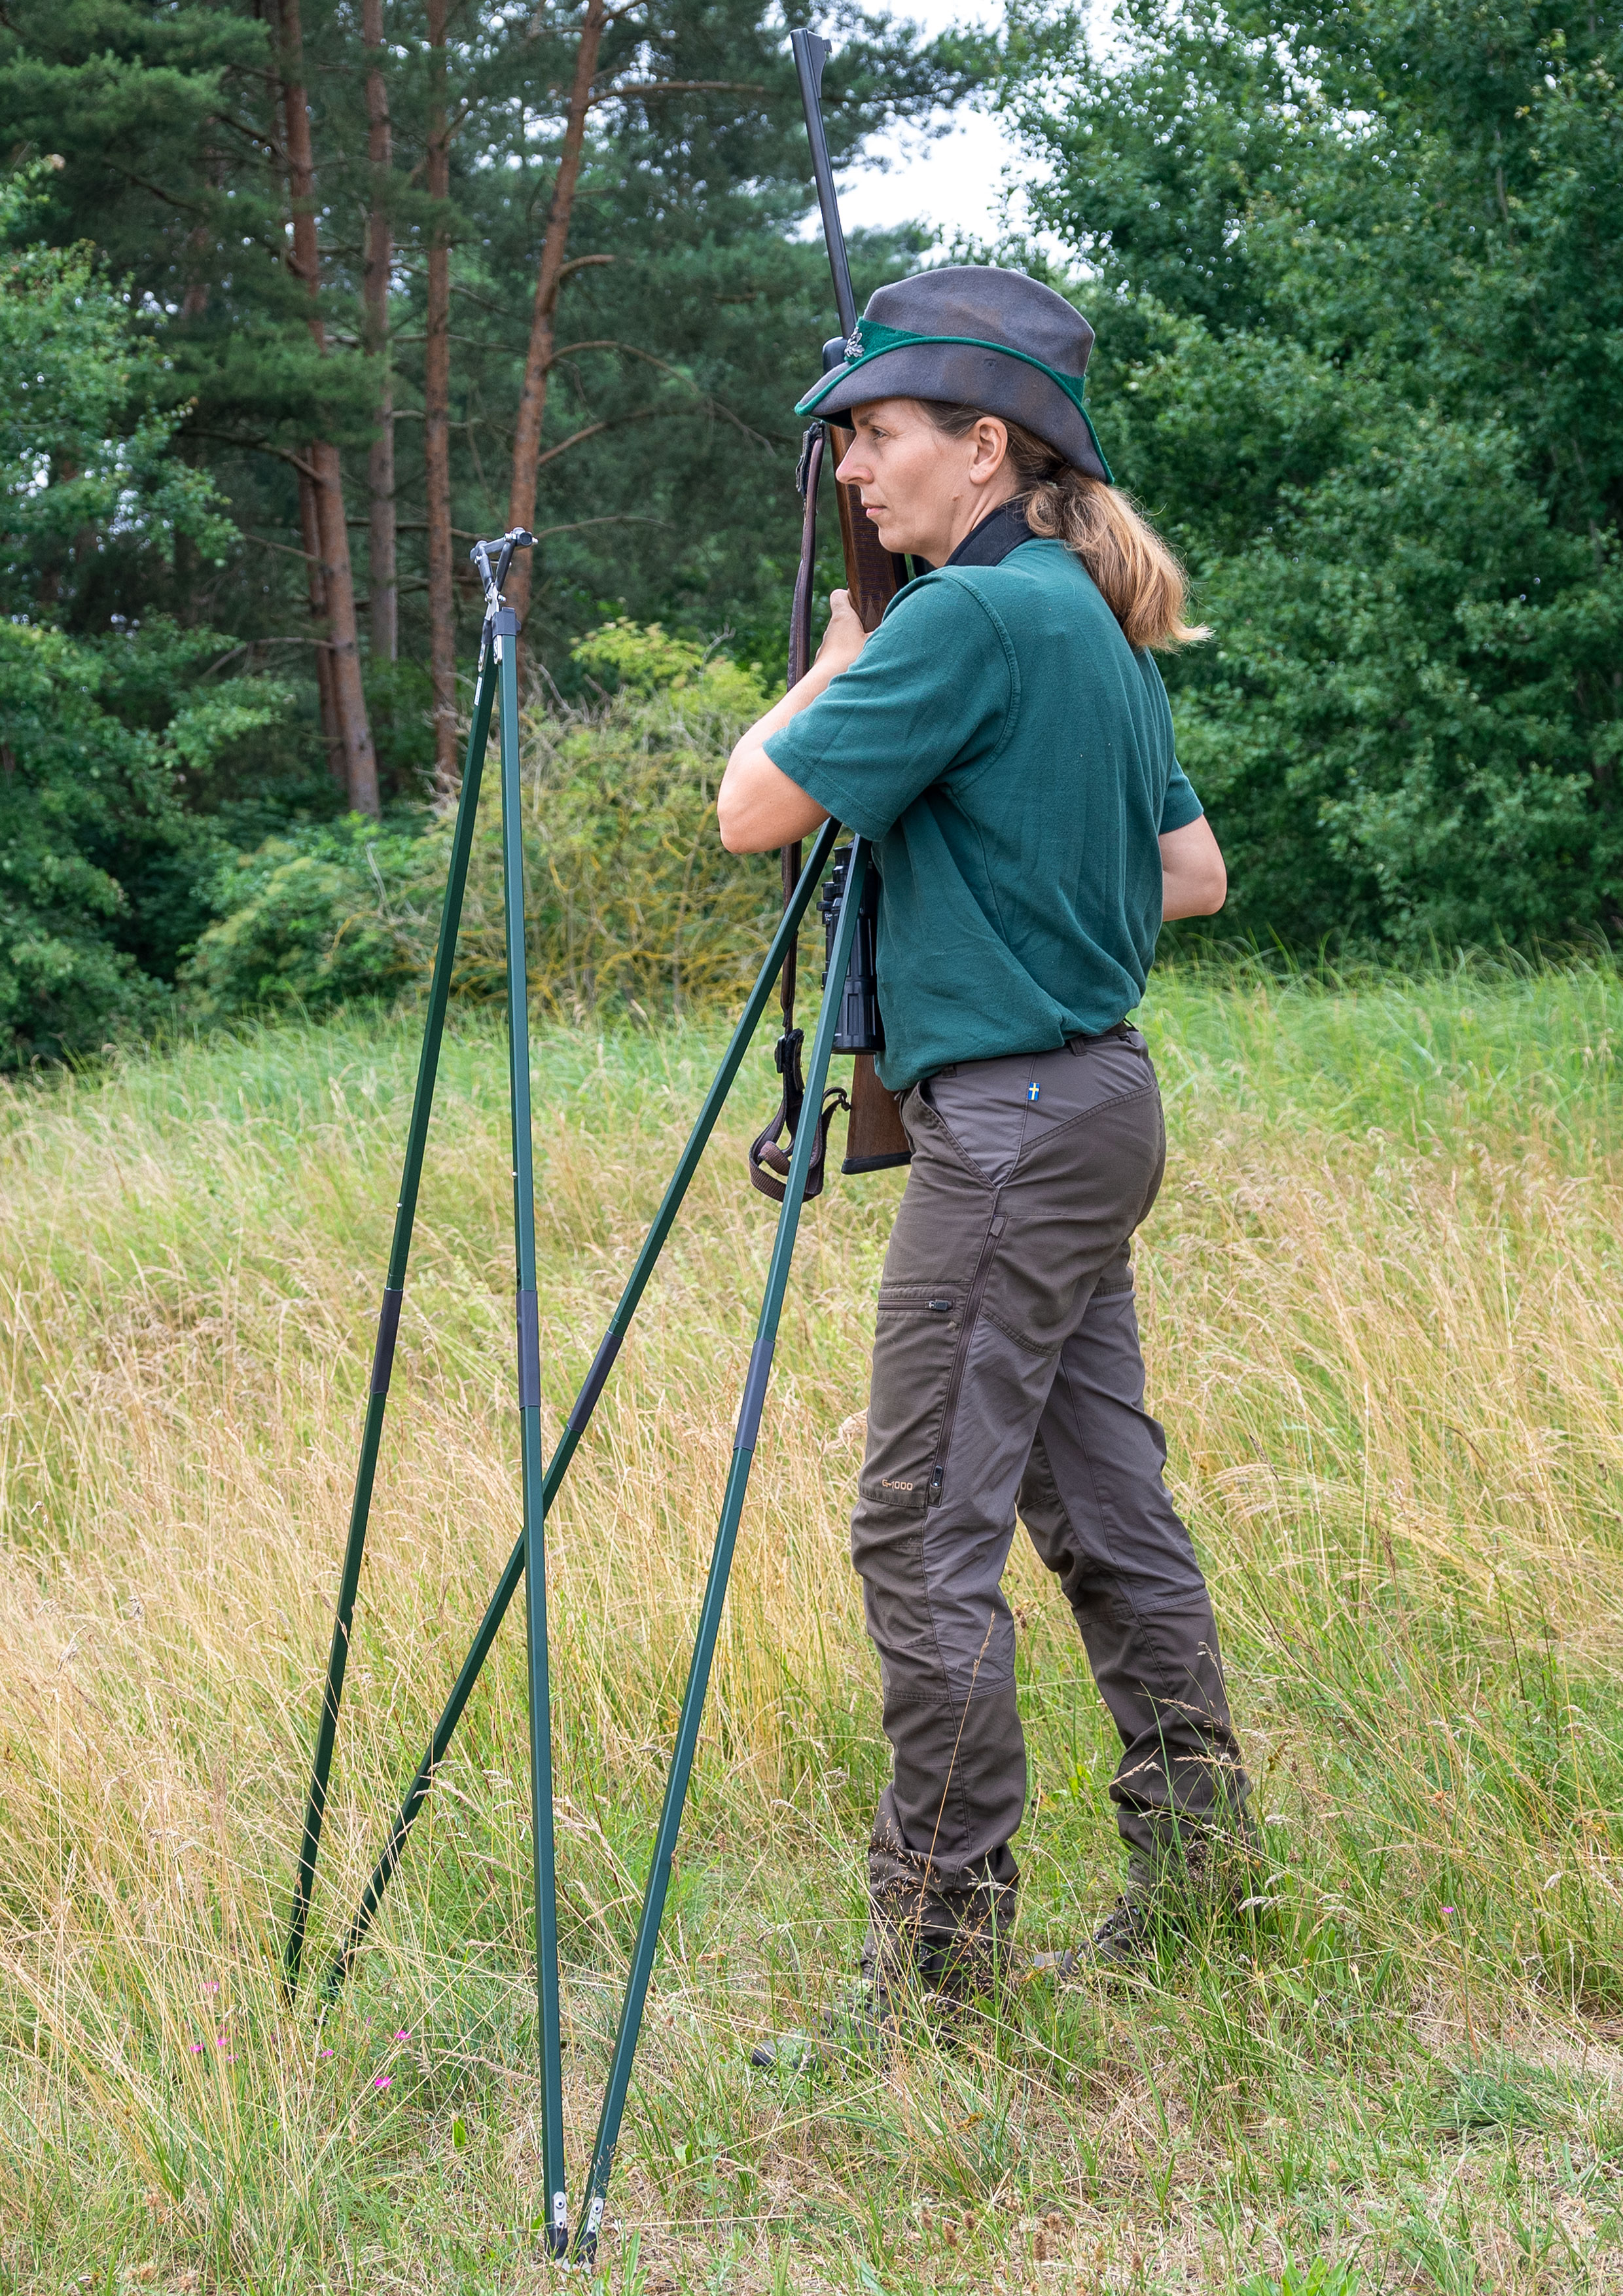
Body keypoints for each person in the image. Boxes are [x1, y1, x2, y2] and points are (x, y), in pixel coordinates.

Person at [717, 267, 1252, 2011]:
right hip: (1102, 1103)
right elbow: (1192, 873)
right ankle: (1200, 1868)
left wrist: (845, 644)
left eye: (876, 436)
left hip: (1016, 1126)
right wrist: (1025, 893)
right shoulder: (1081, 620)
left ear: (982, 442)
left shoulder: (957, 620)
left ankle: (942, 1954)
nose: (855, 474)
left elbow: (751, 808)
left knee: (917, 1528)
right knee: (1105, 1504)